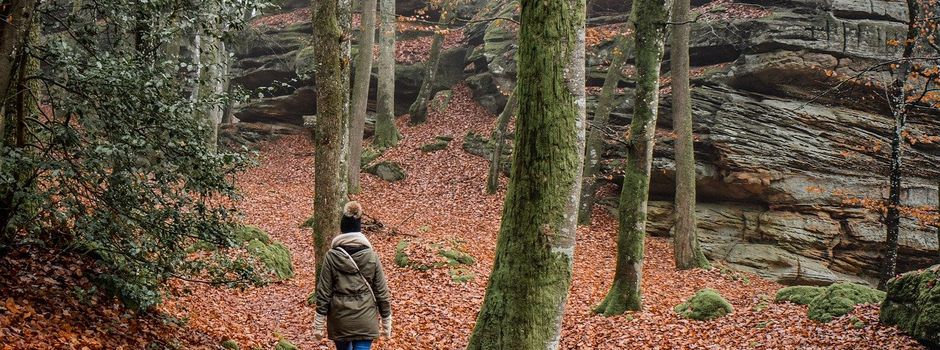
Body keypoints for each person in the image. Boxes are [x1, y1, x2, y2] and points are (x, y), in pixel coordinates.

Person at [312, 201, 392, 350]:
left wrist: (318, 323)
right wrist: (386, 321)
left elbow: (323, 291)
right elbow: (382, 292)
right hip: (365, 320)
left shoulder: (331, 256)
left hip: (340, 319)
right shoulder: (371, 256)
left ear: (342, 230)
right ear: (359, 231)